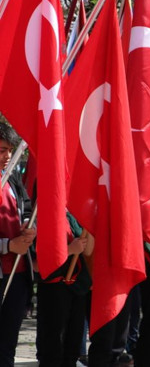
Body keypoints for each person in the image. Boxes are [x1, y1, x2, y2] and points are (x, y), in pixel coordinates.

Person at [36, 211, 93, 367]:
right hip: (53, 288)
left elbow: (88, 251)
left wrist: (89, 225)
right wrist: (69, 250)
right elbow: (36, 263)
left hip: (77, 287)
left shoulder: (76, 214)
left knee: (73, 347)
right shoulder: (44, 212)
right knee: (53, 348)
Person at [0, 123, 34, 367]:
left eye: (10, 150)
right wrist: (8, 246)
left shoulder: (12, 177)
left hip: (18, 276)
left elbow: (27, 206)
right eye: (2, 150)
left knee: (7, 347)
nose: (8, 156)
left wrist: (28, 226)